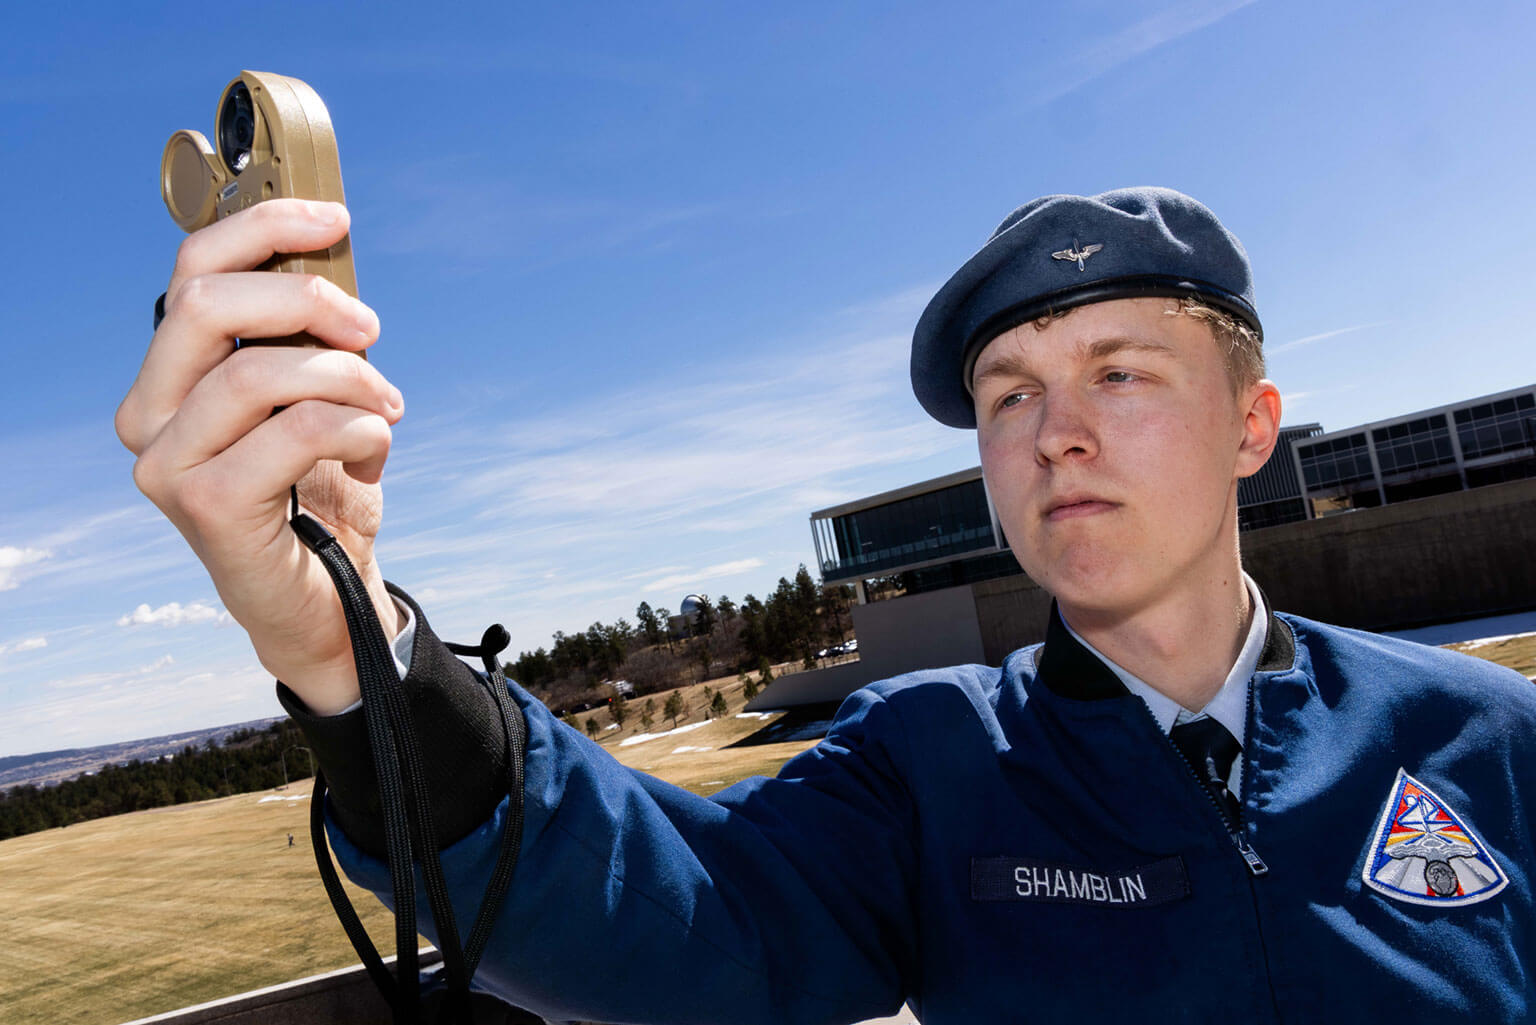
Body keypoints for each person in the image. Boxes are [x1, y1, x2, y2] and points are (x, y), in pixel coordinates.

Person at [118, 188, 1535, 1023]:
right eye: (1010, 395)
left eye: (1120, 371)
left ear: (1251, 425)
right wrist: (342, 640)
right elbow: (678, 914)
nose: (1056, 433)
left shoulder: (1489, 738)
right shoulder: (931, 764)